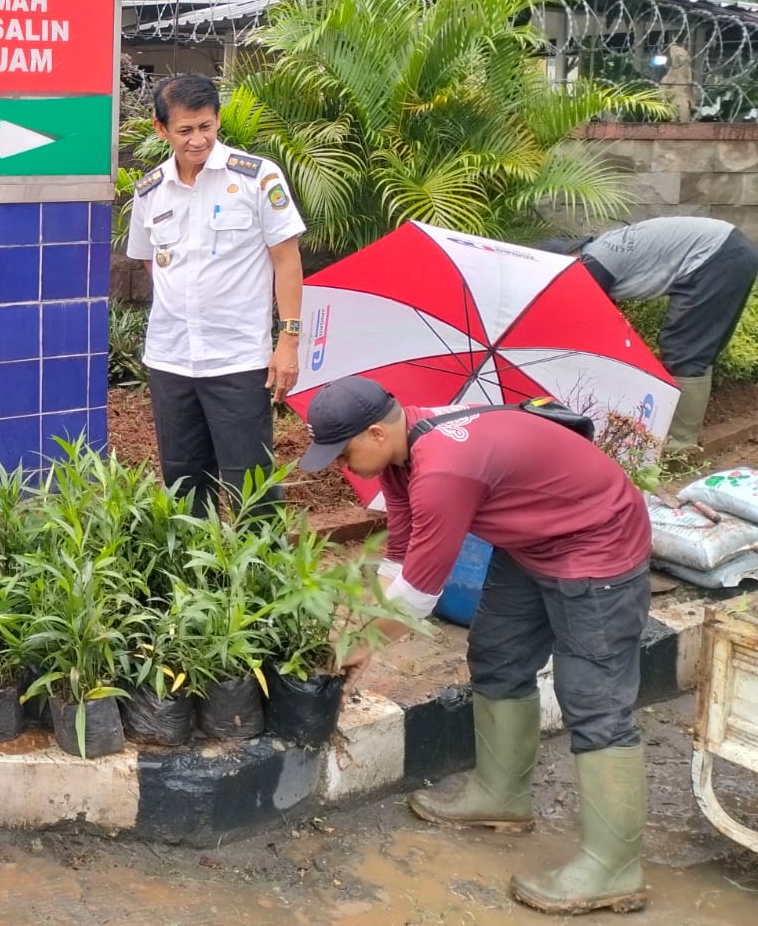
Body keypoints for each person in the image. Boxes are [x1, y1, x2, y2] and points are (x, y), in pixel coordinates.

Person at [301, 376, 652, 915]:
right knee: (497, 655)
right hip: (531, 542)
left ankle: (615, 866)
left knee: (594, 697)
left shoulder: (443, 466)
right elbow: (402, 549)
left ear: (374, 431)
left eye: (344, 452)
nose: (342, 466)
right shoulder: (403, 451)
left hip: (595, 545)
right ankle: (502, 795)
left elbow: (421, 590)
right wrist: (370, 623)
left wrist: (367, 643)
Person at [125, 72, 306, 513]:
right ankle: (198, 577)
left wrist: (288, 341)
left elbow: (287, 260)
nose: (197, 140)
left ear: (218, 120)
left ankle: (262, 579)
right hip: (171, 359)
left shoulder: (257, 178)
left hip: (238, 359)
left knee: (252, 484)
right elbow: (152, 262)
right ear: (161, 128)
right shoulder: (151, 190)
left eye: (206, 126)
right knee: (184, 482)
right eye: (185, 130)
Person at [546, 217, 758, 451]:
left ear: (565, 259)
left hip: (716, 256)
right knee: (698, 349)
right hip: (728, 250)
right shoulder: (602, 253)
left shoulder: (591, 266)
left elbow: (593, 330)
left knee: (685, 350)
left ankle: (679, 445)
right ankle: (681, 435)